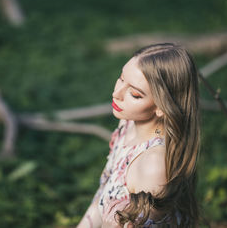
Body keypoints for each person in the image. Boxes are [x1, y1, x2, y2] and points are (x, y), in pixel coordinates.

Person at [76, 43, 201, 228]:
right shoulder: (127, 124)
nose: (116, 94)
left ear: (161, 106)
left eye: (134, 94)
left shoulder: (153, 166)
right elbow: (101, 197)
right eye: (121, 78)